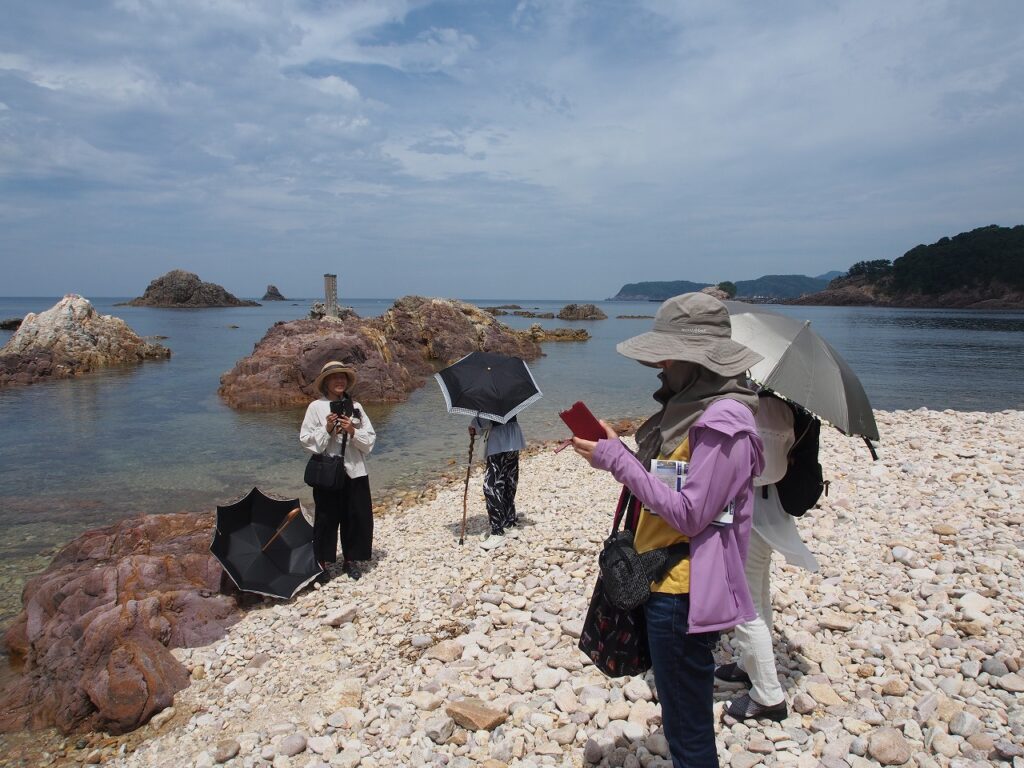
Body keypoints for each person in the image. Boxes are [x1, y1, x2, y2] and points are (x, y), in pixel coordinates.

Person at [572, 293, 765, 768]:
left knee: (688, 727)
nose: (660, 366)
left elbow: (689, 514)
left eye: (669, 355)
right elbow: (668, 485)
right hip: (663, 578)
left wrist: (617, 461)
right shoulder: (690, 412)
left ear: (698, 362)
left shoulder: (724, 422)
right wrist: (618, 449)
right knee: (682, 717)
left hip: (683, 591)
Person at [716, 393, 820, 721]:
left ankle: (768, 695)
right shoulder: (790, 409)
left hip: (751, 513)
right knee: (758, 591)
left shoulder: (749, 408)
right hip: (775, 511)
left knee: (744, 603)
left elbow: (749, 470)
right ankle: (751, 665)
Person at [300, 361, 376, 581]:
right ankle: (322, 563)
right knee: (325, 517)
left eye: (342, 377)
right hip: (328, 472)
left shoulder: (357, 407)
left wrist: (352, 431)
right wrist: (327, 429)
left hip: (355, 470)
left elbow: (370, 441)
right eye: (334, 377)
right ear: (326, 383)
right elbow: (306, 442)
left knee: (355, 516)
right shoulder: (316, 407)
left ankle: (350, 560)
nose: (339, 381)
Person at [470, 414, 526, 550]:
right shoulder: (510, 392)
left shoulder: (488, 394)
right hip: (513, 435)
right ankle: (509, 521)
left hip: (499, 440)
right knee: (508, 480)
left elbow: (487, 417)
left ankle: (497, 532)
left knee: (491, 486)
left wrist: (474, 425)